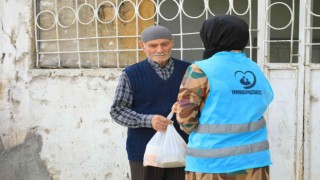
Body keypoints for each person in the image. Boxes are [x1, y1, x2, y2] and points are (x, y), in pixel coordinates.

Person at [172, 15, 274, 180]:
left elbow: (186, 121)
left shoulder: (200, 69)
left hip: (212, 164)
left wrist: (180, 110)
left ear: (211, 36)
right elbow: (265, 99)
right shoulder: (254, 69)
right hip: (254, 163)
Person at [110, 25, 190, 180]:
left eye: (164, 44)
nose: (159, 49)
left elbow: (202, 104)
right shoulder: (131, 74)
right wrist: (148, 120)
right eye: (153, 45)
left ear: (172, 43)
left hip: (181, 148)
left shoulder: (189, 70)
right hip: (144, 151)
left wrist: (186, 107)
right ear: (142, 46)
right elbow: (117, 111)